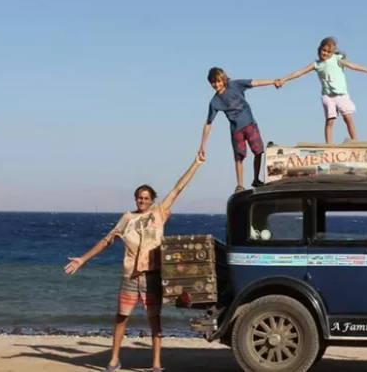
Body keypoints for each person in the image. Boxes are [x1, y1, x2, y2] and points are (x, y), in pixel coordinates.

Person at [64, 152, 205, 372]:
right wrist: (83, 259)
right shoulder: (127, 219)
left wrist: (196, 163)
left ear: (152, 200)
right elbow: (106, 241)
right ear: (135, 199)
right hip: (130, 276)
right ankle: (113, 360)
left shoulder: (159, 213)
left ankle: (156, 364)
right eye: (140, 197)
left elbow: (178, 188)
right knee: (121, 318)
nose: (143, 201)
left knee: (154, 320)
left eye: (147, 198)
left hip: (152, 275)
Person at [276, 36, 367, 143]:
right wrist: (284, 79)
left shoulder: (337, 59)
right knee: (330, 121)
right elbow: (299, 73)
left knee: (348, 118)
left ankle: (355, 141)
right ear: (319, 49)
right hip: (328, 96)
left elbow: (353, 66)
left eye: (329, 52)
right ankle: (329, 144)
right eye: (324, 50)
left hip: (341, 95)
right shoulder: (316, 64)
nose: (326, 53)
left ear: (333, 52)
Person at [198, 67, 281, 193]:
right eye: (213, 82)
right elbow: (208, 123)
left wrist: (273, 81)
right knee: (239, 158)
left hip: (250, 124)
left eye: (218, 81)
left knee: (258, 151)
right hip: (236, 130)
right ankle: (240, 185)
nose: (216, 84)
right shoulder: (214, 102)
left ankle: (256, 179)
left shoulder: (234, 85)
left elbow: (255, 82)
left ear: (223, 79)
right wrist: (202, 145)